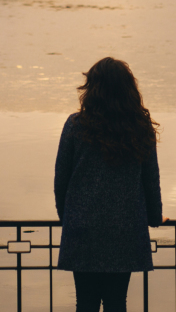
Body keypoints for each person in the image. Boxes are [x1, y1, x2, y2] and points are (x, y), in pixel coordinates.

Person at [54, 57, 168, 312]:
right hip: (124, 226)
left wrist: (68, 218)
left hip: (83, 227)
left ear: (92, 89)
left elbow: (61, 178)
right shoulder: (139, 127)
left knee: (85, 302)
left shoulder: (75, 125)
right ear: (128, 89)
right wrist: (154, 216)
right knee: (117, 302)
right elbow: (151, 179)